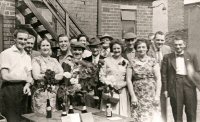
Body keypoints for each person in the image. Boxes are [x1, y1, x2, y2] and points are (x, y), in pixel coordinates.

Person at [161, 37, 200, 122]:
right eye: (176, 45)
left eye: (180, 44)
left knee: (191, 111)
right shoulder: (167, 57)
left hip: (189, 84)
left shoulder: (192, 55)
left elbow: (197, 71)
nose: (178, 47)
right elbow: (164, 75)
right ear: (173, 46)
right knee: (177, 112)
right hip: (175, 84)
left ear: (184, 45)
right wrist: (165, 89)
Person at [0, 29, 33, 122]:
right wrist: (25, 79)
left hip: (23, 91)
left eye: (25, 40)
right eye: (20, 38)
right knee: (12, 119)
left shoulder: (27, 56)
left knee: (23, 119)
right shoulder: (6, 54)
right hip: (10, 90)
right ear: (14, 39)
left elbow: (29, 76)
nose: (23, 42)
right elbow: (5, 76)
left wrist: (27, 85)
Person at [126, 39, 161, 122]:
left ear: (147, 48)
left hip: (151, 94)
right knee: (138, 117)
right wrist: (133, 96)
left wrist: (157, 96)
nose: (141, 49)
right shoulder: (131, 62)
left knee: (153, 117)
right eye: (139, 47)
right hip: (138, 95)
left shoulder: (153, 61)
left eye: (143, 47)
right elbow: (128, 80)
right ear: (136, 49)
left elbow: (158, 78)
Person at [32, 39, 63, 114]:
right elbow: (36, 76)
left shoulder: (54, 60)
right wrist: (54, 76)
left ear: (50, 47)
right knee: (41, 117)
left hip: (54, 93)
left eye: (47, 45)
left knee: (54, 116)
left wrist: (48, 76)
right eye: (43, 45)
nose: (45, 47)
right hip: (41, 93)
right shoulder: (36, 60)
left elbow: (61, 74)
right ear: (39, 48)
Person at [99, 40, 130, 117]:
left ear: (122, 49)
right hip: (109, 91)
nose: (116, 50)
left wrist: (122, 85)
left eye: (118, 48)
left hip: (121, 91)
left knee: (121, 114)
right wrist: (108, 84)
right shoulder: (106, 60)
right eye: (114, 48)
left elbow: (129, 78)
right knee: (108, 113)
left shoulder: (126, 62)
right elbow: (101, 75)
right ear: (112, 49)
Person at [147, 31, 171, 122]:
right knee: (153, 104)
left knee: (164, 104)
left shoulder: (167, 49)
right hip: (152, 81)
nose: (160, 42)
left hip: (164, 81)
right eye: (157, 40)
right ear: (153, 40)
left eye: (162, 40)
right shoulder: (148, 50)